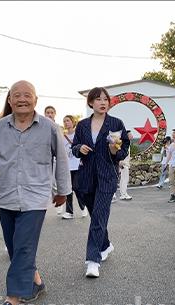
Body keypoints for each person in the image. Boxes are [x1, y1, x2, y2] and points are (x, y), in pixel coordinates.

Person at [0, 80, 71, 305]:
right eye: (17, 96)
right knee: (15, 247)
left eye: (27, 95)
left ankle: (12, 300)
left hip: (35, 198)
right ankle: (36, 282)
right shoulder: (0, 127)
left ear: (36, 99)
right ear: (10, 100)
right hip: (6, 198)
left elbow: (62, 161)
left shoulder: (49, 127)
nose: (22, 99)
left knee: (23, 246)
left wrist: (63, 191)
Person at [72, 87, 130, 278]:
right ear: (91, 103)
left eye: (105, 99)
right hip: (87, 177)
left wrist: (115, 151)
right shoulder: (81, 125)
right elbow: (74, 148)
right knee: (95, 215)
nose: (103, 102)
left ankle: (92, 261)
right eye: (98, 99)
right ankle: (105, 245)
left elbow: (123, 152)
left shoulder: (116, 123)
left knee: (99, 216)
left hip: (107, 177)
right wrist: (80, 148)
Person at [62, 115, 88, 219]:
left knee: (77, 188)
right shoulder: (62, 137)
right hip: (67, 166)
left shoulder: (79, 135)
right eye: (64, 121)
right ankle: (69, 212)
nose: (66, 123)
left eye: (68, 120)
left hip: (78, 165)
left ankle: (83, 206)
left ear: (73, 122)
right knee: (68, 189)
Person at [43, 105, 64, 216]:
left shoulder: (58, 127)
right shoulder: (40, 126)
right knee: (45, 182)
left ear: (55, 114)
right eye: (47, 112)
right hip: (44, 159)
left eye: (51, 112)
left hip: (56, 158)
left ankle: (59, 204)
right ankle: (42, 205)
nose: (49, 114)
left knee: (55, 182)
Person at [118, 130, 133, 200]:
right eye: (130, 134)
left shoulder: (127, 143)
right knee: (124, 179)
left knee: (124, 179)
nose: (131, 135)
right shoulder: (124, 144)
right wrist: (121, 162)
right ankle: (123, 194)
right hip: (123, 164)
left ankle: (123, 193)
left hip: (126, 164)